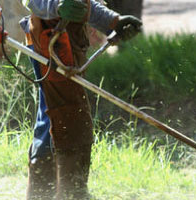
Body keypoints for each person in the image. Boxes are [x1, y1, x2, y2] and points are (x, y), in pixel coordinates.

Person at [19, 0, 142, 199]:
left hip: (66, 44)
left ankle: (42, 192)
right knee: (70, 120)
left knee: (51, 119)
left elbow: (81, 3)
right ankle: (71, 193)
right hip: (49, 42)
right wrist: (56, 6)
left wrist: (112, 20)